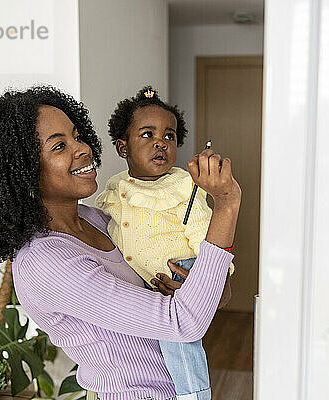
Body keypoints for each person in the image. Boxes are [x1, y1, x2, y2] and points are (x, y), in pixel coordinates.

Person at [0, 86, 241, 400]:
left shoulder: (99, 219)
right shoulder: (47, 262)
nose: (82, 149)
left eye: (77, 135)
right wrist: (227, 204)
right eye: (59, 146)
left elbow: (193, 301)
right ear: (22, 172)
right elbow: (183, 322)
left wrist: (205, 287)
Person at [96, 86, 234, 400]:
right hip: (137, 285)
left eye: (169, 136)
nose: (161, 142)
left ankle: (194, 394)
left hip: (179, 276)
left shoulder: (186, 186)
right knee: (140, 353)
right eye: (147, 134)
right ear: (122, 147)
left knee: (180, 343)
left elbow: (206, 236)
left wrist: (216, 278)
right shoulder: (113, 187)